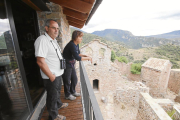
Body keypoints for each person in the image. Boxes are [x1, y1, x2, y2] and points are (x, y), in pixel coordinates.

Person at [34, 19, 68, 120]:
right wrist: (51, 76)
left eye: (57, 28)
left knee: (56, 92)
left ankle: (58, 104)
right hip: (51, 75)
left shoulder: (52, 40)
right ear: (47, 28)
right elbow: (40, 61)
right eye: (53, 28)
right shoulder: (42, 40)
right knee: (52, 96)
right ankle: (53, 116)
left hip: (57, 73)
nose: (56, 30)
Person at [62, 30, 92, 100]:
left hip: (71, 64)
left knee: (74, 79)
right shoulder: (72, 45)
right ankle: (67, 95)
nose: (82, 39)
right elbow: (77, 58)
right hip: (67, 64)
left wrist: (85, 55)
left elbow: (77, 54)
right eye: (80, 37)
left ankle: (72, 91)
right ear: (76, 37)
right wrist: (88, 58)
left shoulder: (76, 44)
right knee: (67, 80)